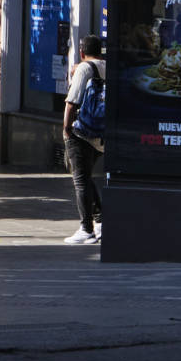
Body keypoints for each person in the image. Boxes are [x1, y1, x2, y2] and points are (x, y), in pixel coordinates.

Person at [61, 36, 104, 246]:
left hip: (82, 132)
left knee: (80, 180)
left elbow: (72, 102)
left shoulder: (84, 68)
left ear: (81, 52)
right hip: (101, 133)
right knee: (86, 178)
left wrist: (66, 129)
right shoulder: (106, 66)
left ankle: (86, 228)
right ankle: (100, 222)